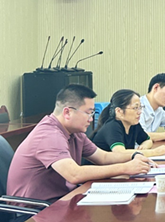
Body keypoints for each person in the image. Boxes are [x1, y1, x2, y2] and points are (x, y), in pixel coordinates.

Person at [7, 85, 152, 202]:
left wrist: (134, 156)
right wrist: (125, 168)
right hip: (34, 213)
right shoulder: (49, 135)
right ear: (67, 112)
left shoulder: (75, 133)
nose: (91, 119)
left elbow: (103, 157)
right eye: (88, 113)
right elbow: (74, 174)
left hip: (61, 200)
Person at [91, 89, 165, 157]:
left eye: (140, 107)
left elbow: (148, 140)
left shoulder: (133, 124)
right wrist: (155, 152)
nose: (139, 112)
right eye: (135, 108)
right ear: (119, 111)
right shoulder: (112, 126)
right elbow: (120, 153)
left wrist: (144, 146)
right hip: (97, 170)